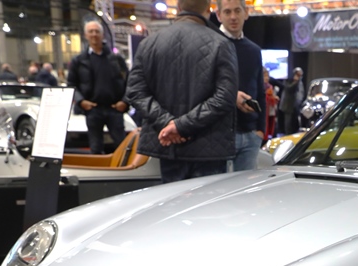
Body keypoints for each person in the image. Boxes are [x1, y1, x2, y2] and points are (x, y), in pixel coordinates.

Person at [126, 0, 237, 182]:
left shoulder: (149, 43)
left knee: (173, 200)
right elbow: (225, 98)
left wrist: (169, 124)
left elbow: (135, 92)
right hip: (208, 147)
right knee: (208, 200)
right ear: (208, 9)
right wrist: (179, 126)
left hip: (168, 144)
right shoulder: (222, 44)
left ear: (178, 8)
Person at [217, 0, 266, 172]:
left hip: (250, 136)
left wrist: (260, 130)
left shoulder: (254, 50)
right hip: (220, 135)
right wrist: (232, 96)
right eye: (227, 12)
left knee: (246, 188)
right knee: (219, 186)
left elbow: (260, 90)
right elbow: (202, 87)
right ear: (219, 15)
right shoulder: (212, 45)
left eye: (237, 11)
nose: (233, 17)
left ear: (246, 13)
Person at [68, 20, 130, 154]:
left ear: (103, 35)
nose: (94, 34)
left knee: (122, 147)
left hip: (114, 109)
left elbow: (129, 82)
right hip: (93, 110)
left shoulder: (116, 59)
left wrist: (125, 102)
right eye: (91, 31)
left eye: (97, 31)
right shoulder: (79, 60)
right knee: (95, 147)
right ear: (86, 35)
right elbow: (71, 85)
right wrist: (81, 101)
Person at [279, 67, 305, 135]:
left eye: (300, 75)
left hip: (295, 106)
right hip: (288, 106)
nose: (299, 77)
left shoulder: (300, 82)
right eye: (298, 75)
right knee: (288, 124)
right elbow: (289, 88)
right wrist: (296, 81)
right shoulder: (288, 80)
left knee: (294, 124)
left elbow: (301, 93)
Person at [263, 68, 279, 140]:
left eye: (268, 76)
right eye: (265, 76)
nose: (267, 78)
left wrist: (274, 98)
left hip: (271, 110)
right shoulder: (260, 87)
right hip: (264, 111)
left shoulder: (270, 86)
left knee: (271, 125)